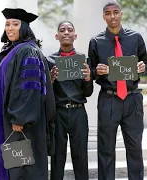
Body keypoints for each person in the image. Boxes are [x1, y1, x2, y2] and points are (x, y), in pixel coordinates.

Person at [0, 8, 56, 180]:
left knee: (20, 167)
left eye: (15, 24)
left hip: (20, 122)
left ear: (24, 27)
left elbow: (28, 88)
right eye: (7, 24)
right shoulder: (12, 50)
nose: (10, 28)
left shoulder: (28, 51)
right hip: (3, 118)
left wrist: (20, 117)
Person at [88, 2, 147, 180]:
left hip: (132, 100)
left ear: (121, 14)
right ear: (104, 17)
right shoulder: (96, 41)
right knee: (106, 148)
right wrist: (96, 71)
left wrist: (141, 67)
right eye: (108, 13)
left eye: (115, 12)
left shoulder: (135, 38)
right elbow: (89, 71)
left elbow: (146, 63)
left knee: (135, 148)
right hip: (109, 100)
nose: (112, 16)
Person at [48, 21, 93, 180]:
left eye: (70, 30)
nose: (66, 32)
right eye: (62, 30)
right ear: (57, 36)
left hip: (78, 111)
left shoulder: (84, 59)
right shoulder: (50, 60)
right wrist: (51, 81)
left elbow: (88, 93)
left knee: (80, 155)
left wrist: (88, 79)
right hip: (59, 113)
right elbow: (48, 95)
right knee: (57, 156)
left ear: (75, 36)